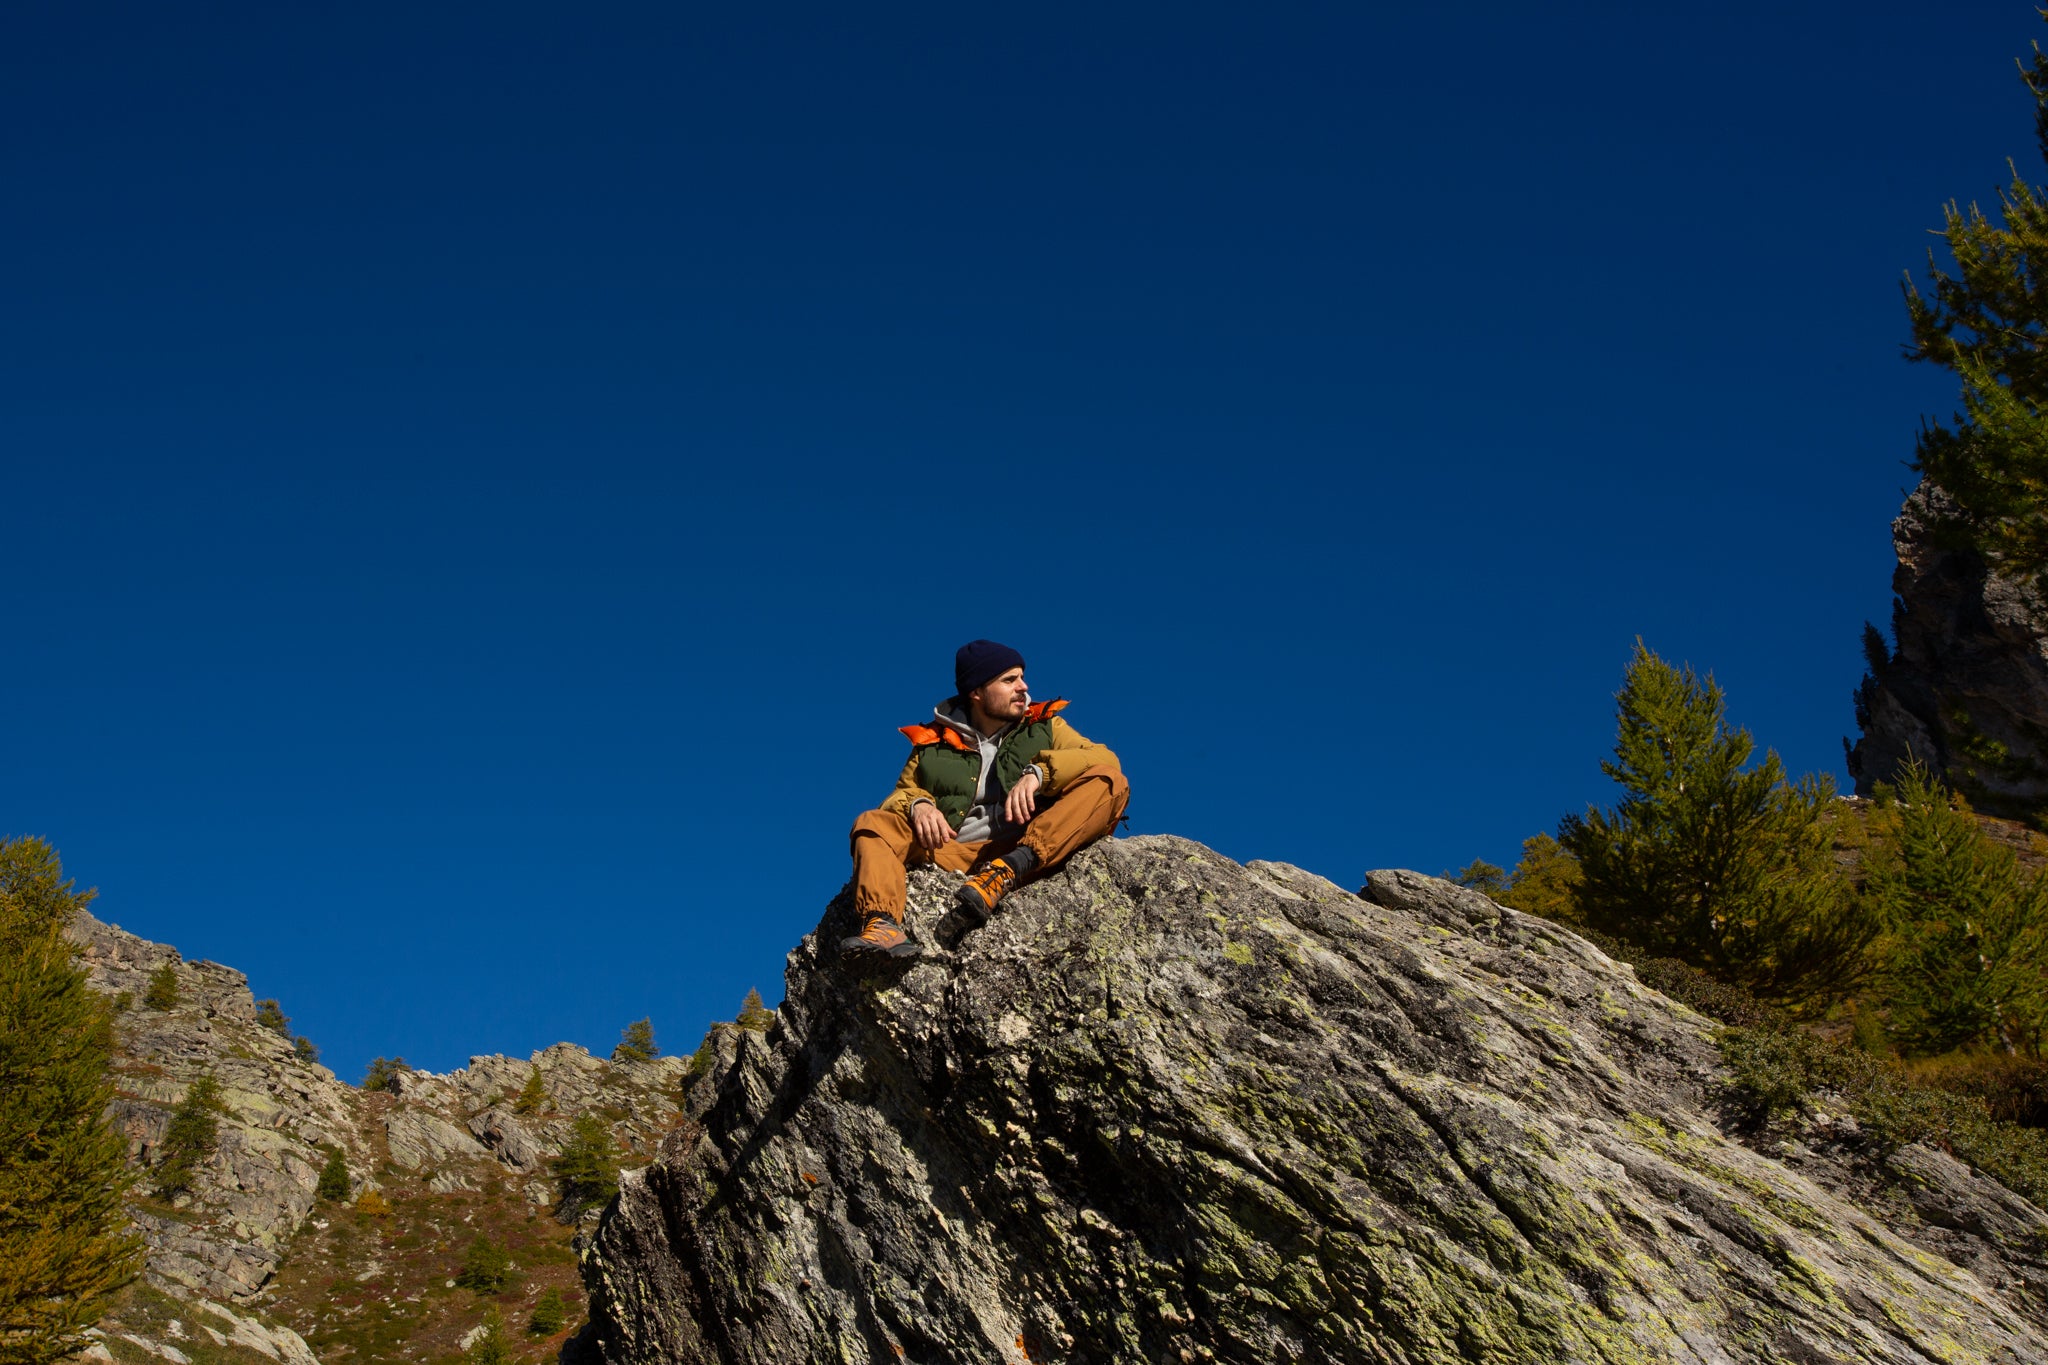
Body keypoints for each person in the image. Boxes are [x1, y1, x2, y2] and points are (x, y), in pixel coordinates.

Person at [840, 640, 1128, 961]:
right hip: (950, 850)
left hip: (1024, 845)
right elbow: (899, 795)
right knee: (872, 823)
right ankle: (882, 926)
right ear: (977, 692)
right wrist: (918, 804)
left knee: (1110, 781)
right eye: (1009, 680)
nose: (1024, 687)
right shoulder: (932, 743)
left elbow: (1102, 758)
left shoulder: (1044, 726)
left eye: (1021, 677)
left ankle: (1005, 872)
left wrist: (1040, 773)